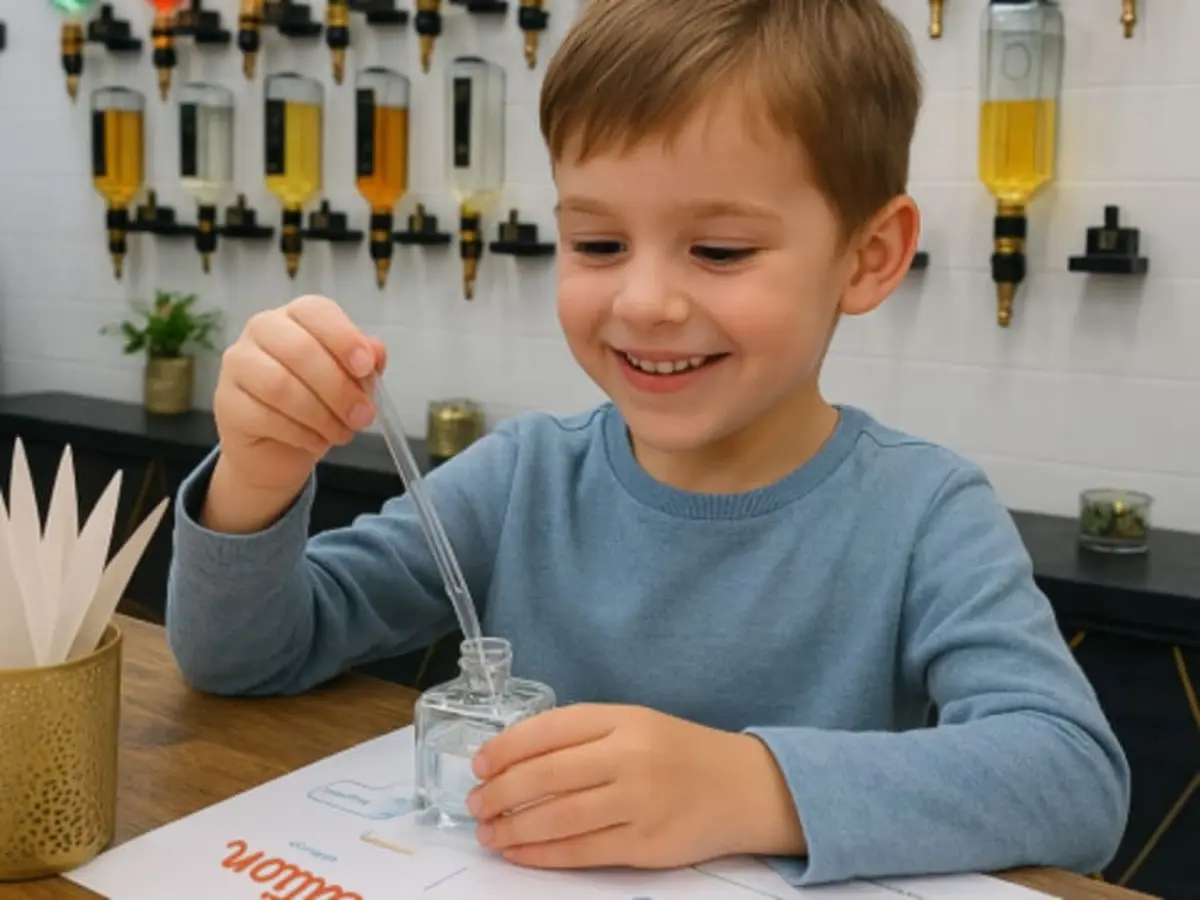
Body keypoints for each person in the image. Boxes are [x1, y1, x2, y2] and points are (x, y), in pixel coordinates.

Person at [164, 0, 1130, 887]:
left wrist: (747, 786)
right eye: (597, 244)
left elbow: (1072, 778)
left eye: (719, 251)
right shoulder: (523, 477)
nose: (644, 303)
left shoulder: (924, 515)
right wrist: (261, 469)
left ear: (869, 256)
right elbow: (244, 657)